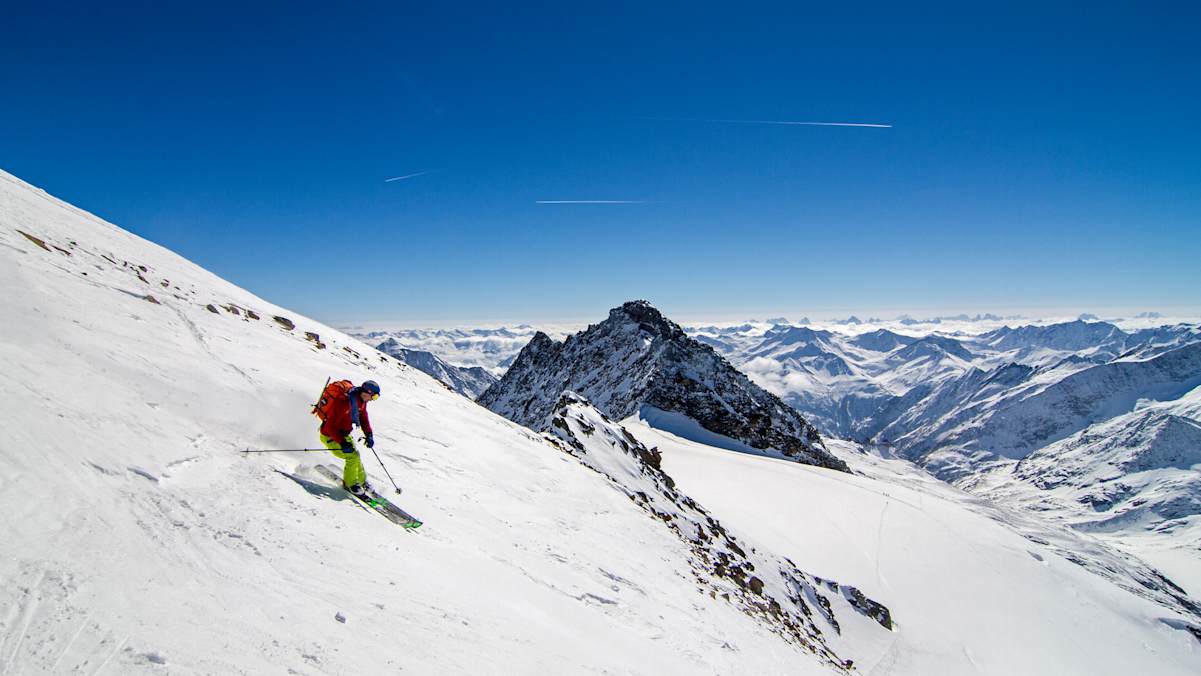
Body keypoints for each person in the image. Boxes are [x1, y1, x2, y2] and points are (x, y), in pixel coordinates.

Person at [317, 379, 381, 497]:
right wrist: (342, 443)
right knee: (352, 457)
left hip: (344, 435)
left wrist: (369, 434)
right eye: (374, 397)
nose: (372, 400)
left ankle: (362, 481)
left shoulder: (361, 400)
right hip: (330, 436)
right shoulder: (344, 401)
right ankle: (350, 484)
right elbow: (329, 426)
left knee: (356, 456)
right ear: (367, 392)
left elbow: (363, 417)